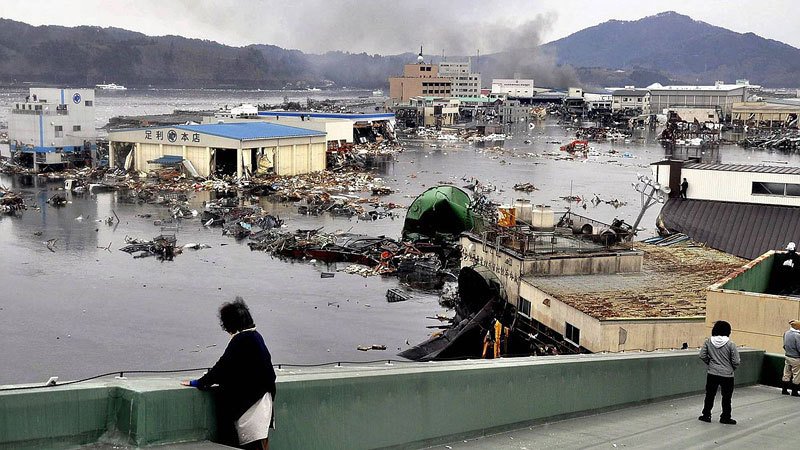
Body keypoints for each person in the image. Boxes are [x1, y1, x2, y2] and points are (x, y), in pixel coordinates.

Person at [182, 297, 276, 450]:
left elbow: (222, 367)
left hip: (250, 407)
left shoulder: (241, 340)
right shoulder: (257, 336)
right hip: (263, 402)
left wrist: (198, 382)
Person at [699, 320, 740, 424]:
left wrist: (711, 363)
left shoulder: (708, 342)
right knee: (726, 397)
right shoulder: (731, 344)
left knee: (710, 395)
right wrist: (731, 368)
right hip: (727, 374)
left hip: (712, 373)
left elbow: (702, 355)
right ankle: (725, 417)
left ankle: (706, 415)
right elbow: (736, 361)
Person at [782, 320, 800, 396]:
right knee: (797, 374)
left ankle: (784, 390)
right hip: (796, 358)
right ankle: (794, 392)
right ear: (796, 326)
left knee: (786, 373)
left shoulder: (786, 333)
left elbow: (784, 346)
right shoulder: (798, 335)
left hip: (787, 356)